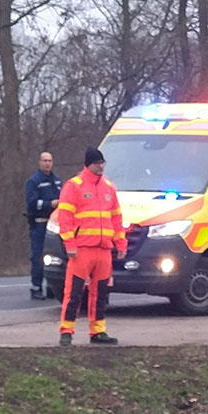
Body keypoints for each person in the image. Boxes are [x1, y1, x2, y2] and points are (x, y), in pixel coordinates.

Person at [56, 147, 126, 346]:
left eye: (102, 163)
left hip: (103, 249)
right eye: (97, 163)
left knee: (101, 293)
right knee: (74, 292)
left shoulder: (109, 188)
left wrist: (120, 243)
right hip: (82, 250)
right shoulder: (74, 186)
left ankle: (98, 332)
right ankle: (67, 331)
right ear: (89, 164)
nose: (101, 167)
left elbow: (117, 219)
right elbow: (65, 218)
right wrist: (69, 244)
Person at [24, 152, 63, 300]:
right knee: (38, 256)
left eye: (50, 161)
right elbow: (32, 203)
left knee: (54, 255)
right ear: (39, 162)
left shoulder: (57, 180)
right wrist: (49, 204)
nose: (47, 163)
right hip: (39, 223)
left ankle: (52, 287)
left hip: (54, 224)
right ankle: (36, 287)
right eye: (45, 161)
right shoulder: (34, 181)